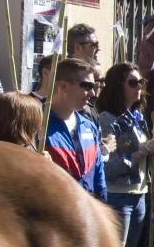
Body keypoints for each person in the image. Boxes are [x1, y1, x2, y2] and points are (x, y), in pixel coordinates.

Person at [97, 62, 154, 247]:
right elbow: (108, 167)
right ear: (118, 86)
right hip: (118, 195)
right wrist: (144, 151)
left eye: (141, 82)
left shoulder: (138, 118)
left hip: (140, 194)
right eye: (133, 83)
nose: (139, 88)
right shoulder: (107, 119)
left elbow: (145, 152)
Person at [44, 58, 107, 201]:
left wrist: (102, 208)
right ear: (63, 86)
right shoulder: (39, 125)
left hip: (87, 213)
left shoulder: (89, 126)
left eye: (94, 86)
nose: (93, 94)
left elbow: (98, 174)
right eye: (86, 86)